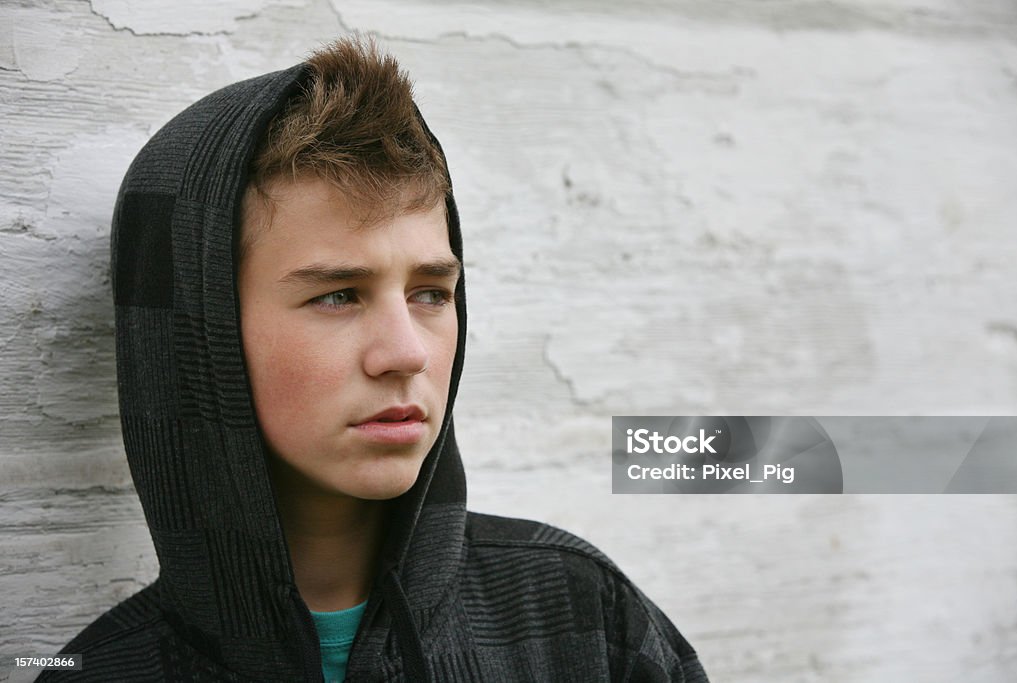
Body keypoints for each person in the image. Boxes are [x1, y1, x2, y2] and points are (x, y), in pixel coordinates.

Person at [43, 37, 709, 682]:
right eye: (338, 295)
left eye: (430, 292)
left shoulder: (583, 620)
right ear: (200, 331)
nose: (407, 352)